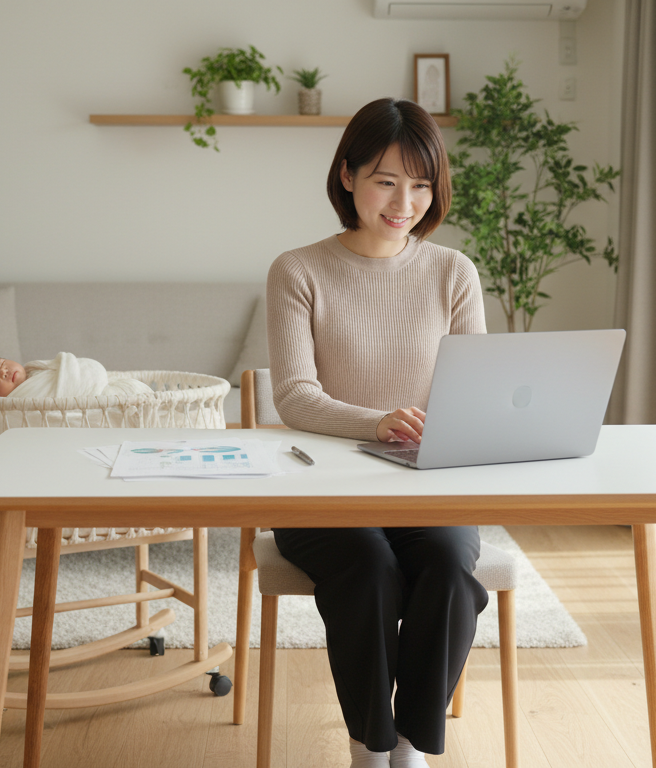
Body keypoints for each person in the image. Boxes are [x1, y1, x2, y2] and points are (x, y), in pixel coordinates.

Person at [267, 98, 489, 768]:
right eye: (386, 181)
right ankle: (371, 745)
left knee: (449, 566)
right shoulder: (298, 270)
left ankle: (413, 746)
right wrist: (377, 421)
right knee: (368, 567)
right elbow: (294, 397)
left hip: (427, 486)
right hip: (321, 487)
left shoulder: (453, 272)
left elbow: (474, 392)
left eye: (421, 185)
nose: (405, 203)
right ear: (347, 176)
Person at [0, 352, 152, 399]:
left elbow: (76, 371)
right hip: (98, 403)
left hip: (97, 387)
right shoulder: (18, 404)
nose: (3, 371)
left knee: (128, 389)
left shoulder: (35, 371)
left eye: (0, 363)